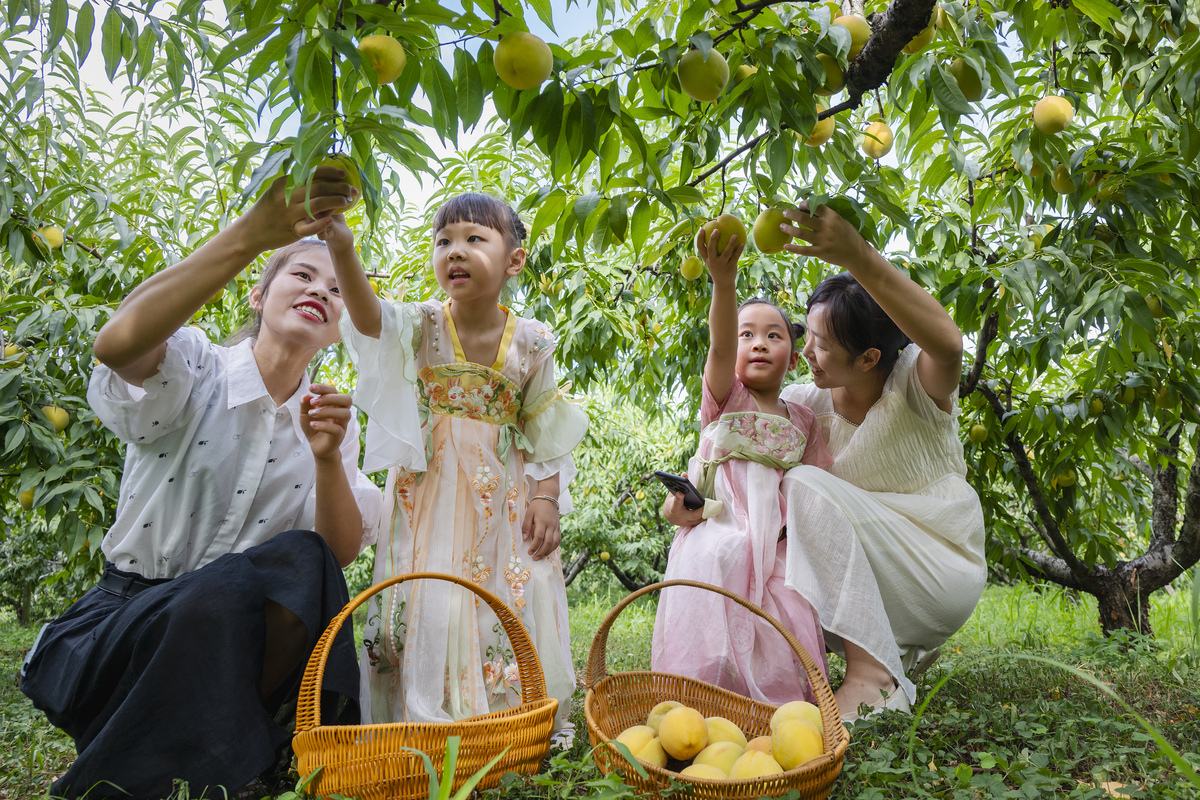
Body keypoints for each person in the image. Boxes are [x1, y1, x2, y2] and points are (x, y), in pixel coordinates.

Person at [19, 168, 384, 799]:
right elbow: (117, 343)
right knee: (213, 598)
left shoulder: (333, 421)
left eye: (337, 287)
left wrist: (327, 459)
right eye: (301, 273)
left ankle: (204, 763)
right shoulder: (194, 369)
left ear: (342, 324)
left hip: (228, 655)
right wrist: (249, 236)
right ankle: (227, 762)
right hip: (125, 630)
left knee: (302, 559)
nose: (321, 289)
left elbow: (336, 556)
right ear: (256, 295)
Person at [665, 200, 986, 722]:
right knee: (763, 544)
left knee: (807, 486)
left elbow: (948, 345)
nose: (804, 351)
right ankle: (844, 663)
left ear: (869, 358)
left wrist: (856, 253)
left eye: (819, 343)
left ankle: (873, 673)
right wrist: (698, 499)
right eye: (805, 336)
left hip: (935, 566)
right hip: (867, 576)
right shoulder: (803, 405)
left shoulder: (915, 385)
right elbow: (739, 448)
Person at [323, 192, 588, 736]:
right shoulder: (423, 325)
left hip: (501, 487)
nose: (455, 252)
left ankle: (501, 716)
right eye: (443, 241)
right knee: (427, 589)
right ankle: (421, 713)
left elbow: (545, 427)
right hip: (428, 485)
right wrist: (343, 248)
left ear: (514, 260)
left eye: (474, 239)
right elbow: (369, 317)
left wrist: (546, 497)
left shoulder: (533, 341)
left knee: (504, 586)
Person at [651, 228, 834, 705]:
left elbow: (817, 485)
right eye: (746, 334)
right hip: (723, 528)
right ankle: (701, 699)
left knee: (787, 614)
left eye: (773, 336)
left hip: (776, 541)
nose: (758, 343)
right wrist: (723, 282)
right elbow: (717, 344)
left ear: (793, 358)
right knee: (713, 585)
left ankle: (775, 708)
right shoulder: (727, 400)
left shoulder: (804, 420)